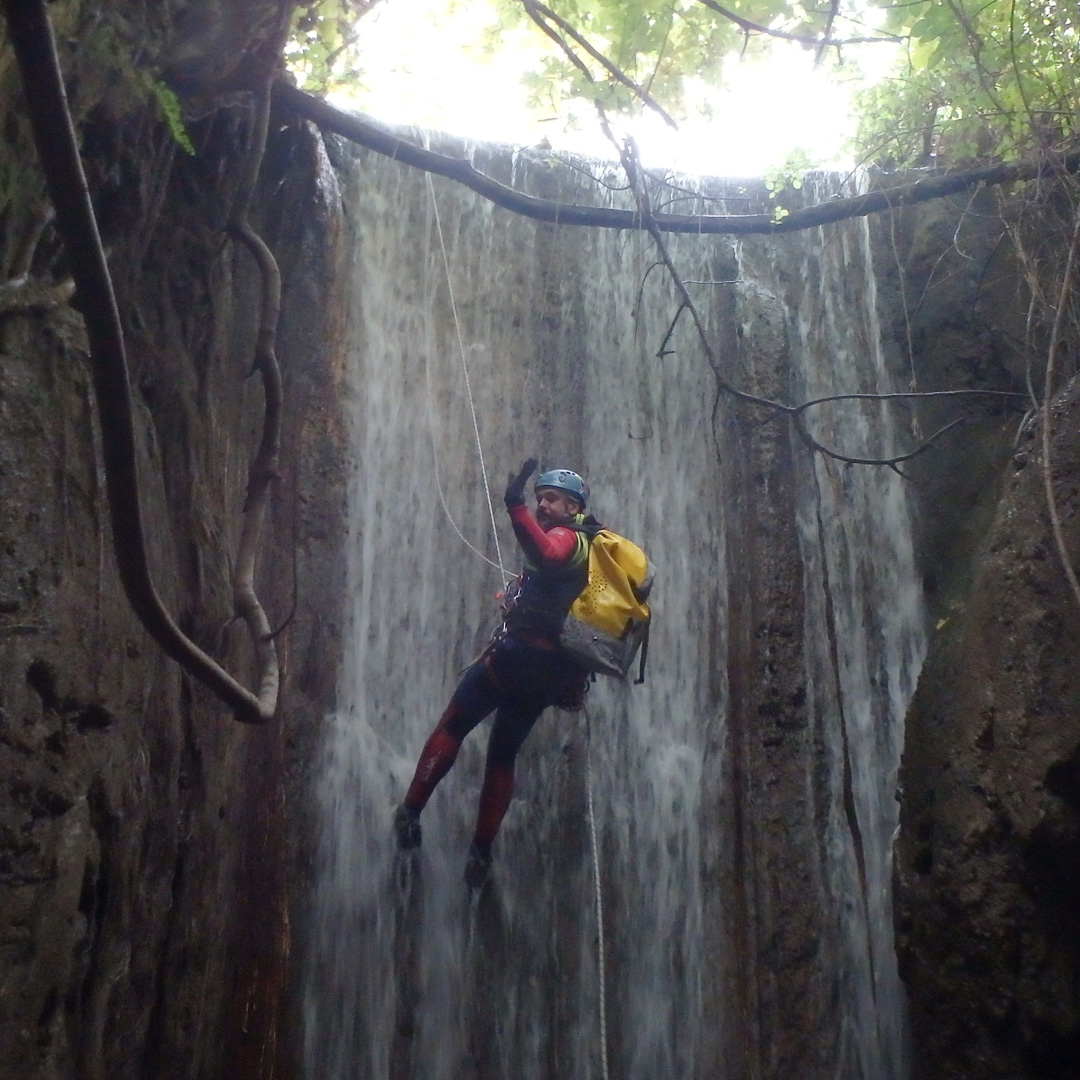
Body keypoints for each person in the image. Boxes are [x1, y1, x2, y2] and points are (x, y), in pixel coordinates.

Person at [393, 458, 601, 887]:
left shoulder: (568, 538)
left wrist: (514, 504)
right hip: (546, 676)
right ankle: (481, 853)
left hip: (518, 659)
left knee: (455, 723)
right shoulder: (589, 550)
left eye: (553, 499)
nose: (543, 505)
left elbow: (546, 550)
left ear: (574, 506)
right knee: (503, 754)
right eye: (539, 497)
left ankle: (410, 812)